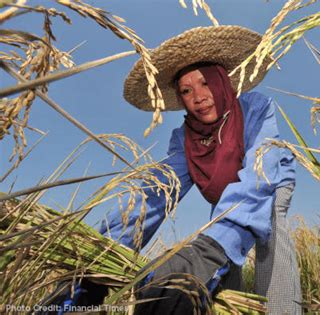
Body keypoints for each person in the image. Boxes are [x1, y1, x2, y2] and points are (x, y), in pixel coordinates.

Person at [50, 25, 302, 315]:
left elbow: (262, 172)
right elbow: (158, 191)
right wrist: (103, 248)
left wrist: (210, 247)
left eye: (205, 83)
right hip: (223, 194)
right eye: (186, 90)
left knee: (267, 225)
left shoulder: (256, 107)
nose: (198, 96)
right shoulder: (184, 138)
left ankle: (284, 309)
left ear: (221, 82)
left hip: (269, 181)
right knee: (221, 260)